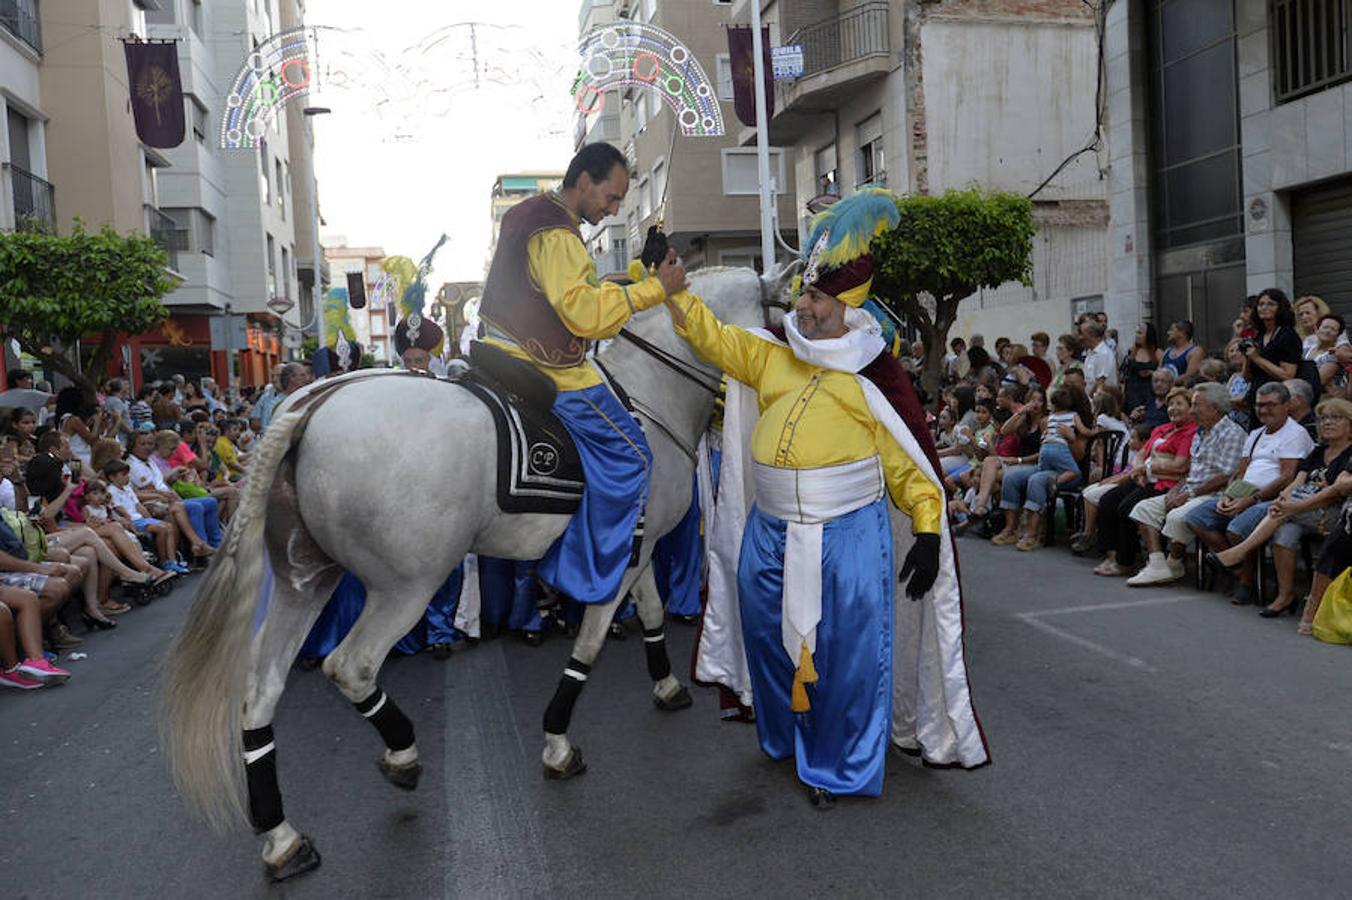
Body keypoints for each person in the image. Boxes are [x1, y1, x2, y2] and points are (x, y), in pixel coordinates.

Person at [663, 189, 980, 804]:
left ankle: (841, 765)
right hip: (769, 528)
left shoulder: (872, 373)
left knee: (846, 655)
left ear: (845, 307)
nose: (800, 306)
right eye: (803, 295)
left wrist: (926, 530)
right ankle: (789, 737)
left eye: (813, 297)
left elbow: (907, 461)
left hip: (848, 533)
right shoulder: (774, 353)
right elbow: (715, 340)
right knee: (767, 637)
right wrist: (677, 294)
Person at [476, 143, 685, 608]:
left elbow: (573, 292)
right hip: (547, 365)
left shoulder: (530, 212)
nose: (612, 209)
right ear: (584, 181)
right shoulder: (559, 233)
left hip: (501, 348)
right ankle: (571, 573)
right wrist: (657, 289)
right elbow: (585, 316)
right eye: (611, 198)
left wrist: (631, 284)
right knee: (633, 456)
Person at [1207, 398, 1352, 616]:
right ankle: (1285, 596)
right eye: (1323, 418)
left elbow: (1334, 494)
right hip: (1302, 509)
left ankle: (1237, 553)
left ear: (1350, 424)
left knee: (1279, 515)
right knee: (1284, 532)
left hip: (1330, 513)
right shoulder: (1318, 451)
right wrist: (1284, 499)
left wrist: (1293, 507)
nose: (1327, 422)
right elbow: (1296, 482)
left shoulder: (1350, 453)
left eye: (1335, 417)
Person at [1186, 381, 1315, 605]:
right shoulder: (1255, 434)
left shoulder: (1295, 433)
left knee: (1237, 530)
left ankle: (1246, 582)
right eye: (1259, 405)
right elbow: (1241, 472)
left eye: (1271, 405)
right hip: (1245, 494)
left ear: (1287, 405)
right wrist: (1229, 495)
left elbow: (1287, 476)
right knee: (1196, 518)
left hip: (1275, 498)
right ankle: (1238, 570)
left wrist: (1250, 500)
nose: (1264, 410)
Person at [1124, 383, 1247, 585]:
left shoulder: (1232, 433)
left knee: (1177, 515)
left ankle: (1174, 562)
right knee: (1144, 508)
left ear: (1214, 408)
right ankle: (1158, 565)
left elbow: (1226, 476)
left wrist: (1188, 494)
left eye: (1196, 405)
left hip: (1214, 494)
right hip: (1191, 489)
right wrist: (1177, 489)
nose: (1191, 410)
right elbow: (1192, 470)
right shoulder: (1201, 432)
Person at [1091, 387, 1197, 577]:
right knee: (1108, 500)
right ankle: (1112, 555)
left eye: (1179, 404)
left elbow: (1180, 466)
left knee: (1126, 508)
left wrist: (1147, 469)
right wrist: (1139, 469)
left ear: (1191, 408)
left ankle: (1126, 561)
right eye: (1170, 404)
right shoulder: (1161, 429)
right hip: (1145, 478)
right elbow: (1141, 453)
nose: (1173, 408)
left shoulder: (1190, 432)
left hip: (1166, 484)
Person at [991, 386, 1092, 551]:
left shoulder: (1075, 420)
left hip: (1069, 472)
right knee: (1011, 477)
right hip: (1045, 466)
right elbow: (1008, 432)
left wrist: (1070, 438)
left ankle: (1032, 534)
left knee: (1036, 480)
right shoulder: (1050, 420)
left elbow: (1079, 456)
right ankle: (1010, 529)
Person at [1243, 288, 1302, 406]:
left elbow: (1287, 375)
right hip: (1256, 397)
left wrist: (1257, 358)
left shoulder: (1287, 335)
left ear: (1280, 308)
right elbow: (1247, 377)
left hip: (1276, 400)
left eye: (1271, 304)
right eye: (1261, 304)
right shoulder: (1259, 336)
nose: (1264, 307)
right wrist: (1247, 356)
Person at [1121, 322, 1162, 414]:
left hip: (1150, 389)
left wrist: (1151, 372)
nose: (1137, 336)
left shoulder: (1157, 353)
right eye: (1136, 333)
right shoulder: (1131, 352)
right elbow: (1125, 373)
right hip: (1133, 390)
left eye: (1140, 333)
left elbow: (1163, 373)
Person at [1080, 321, 1118, 391]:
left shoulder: (1103, 353)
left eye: (1082, 334)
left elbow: (1100, 383)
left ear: (1091, 335)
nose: (1080, 337)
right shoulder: (1090, 353)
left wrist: (1088, 399)